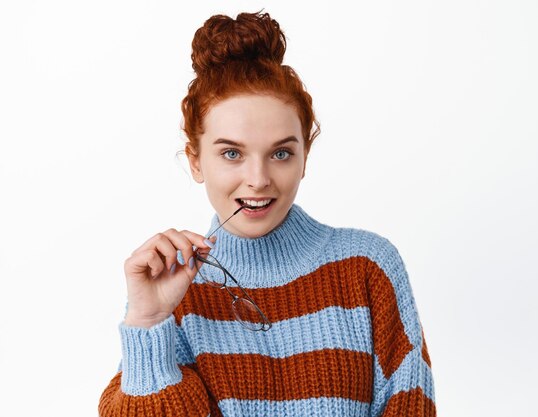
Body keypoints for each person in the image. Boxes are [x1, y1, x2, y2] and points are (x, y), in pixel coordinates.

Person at [98, 10, 436, 417]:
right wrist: (148, 320)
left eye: (280, 153)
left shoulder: (368, 267)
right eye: (231, 153)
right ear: (195, 160)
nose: (257, 179)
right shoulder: (174, 295)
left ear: (305, 156)